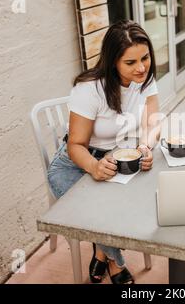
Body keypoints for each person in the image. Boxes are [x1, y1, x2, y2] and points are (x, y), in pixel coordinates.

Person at [47, 20, 161, 284]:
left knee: (136, 205)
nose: (142, 67)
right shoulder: (89, 89)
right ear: (113, 62)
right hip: (75, 162)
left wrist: (145, 146)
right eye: (130, 62)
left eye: (145, 57)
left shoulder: (146, 80)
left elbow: (153, 123)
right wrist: (94, 167)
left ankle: (100, 252)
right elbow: (76, 145)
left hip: (118, 158)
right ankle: (115, 262)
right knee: (98, 210)